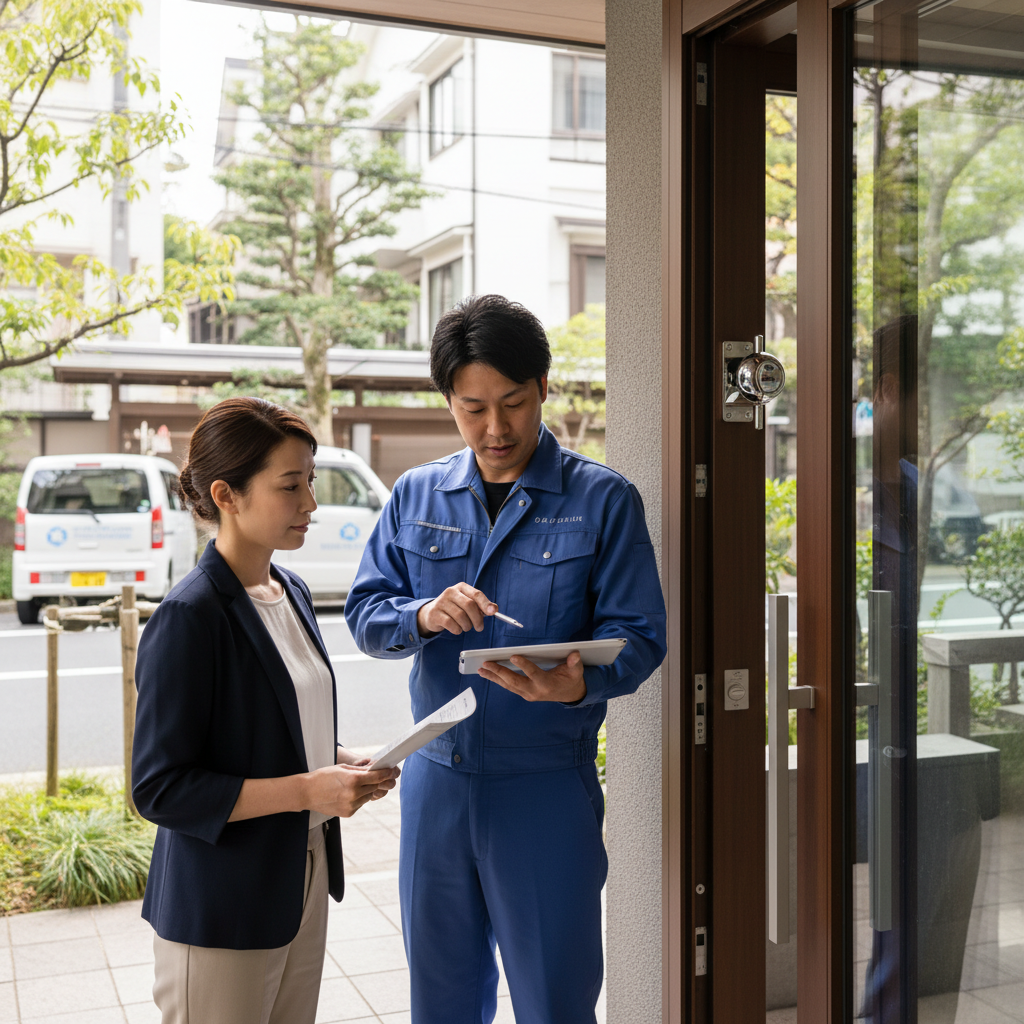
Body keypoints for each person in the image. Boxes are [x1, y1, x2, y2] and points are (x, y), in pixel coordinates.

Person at [345, 295, 667, 1024]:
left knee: (555, 1000)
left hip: (544, 786)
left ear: (543, 388)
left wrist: (576, 686)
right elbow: (366, 614)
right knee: (442, 1000)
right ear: (449, 403)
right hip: (436, 784)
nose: (495, 428)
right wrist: (422, 614)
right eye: (473, 409)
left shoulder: (603, 499)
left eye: (513, 403)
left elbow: (642, 635)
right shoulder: (416, 494)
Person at [132, 397, 400, 1024]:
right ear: (226, 495)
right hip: (222, 901)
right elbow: (160, 788)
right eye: (290, 485)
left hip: (301, 875)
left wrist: (338, 762)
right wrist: (308, 789)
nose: (311, 503)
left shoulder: (291, 590)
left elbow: (274, 724)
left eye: (311, 481)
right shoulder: (190, 616)